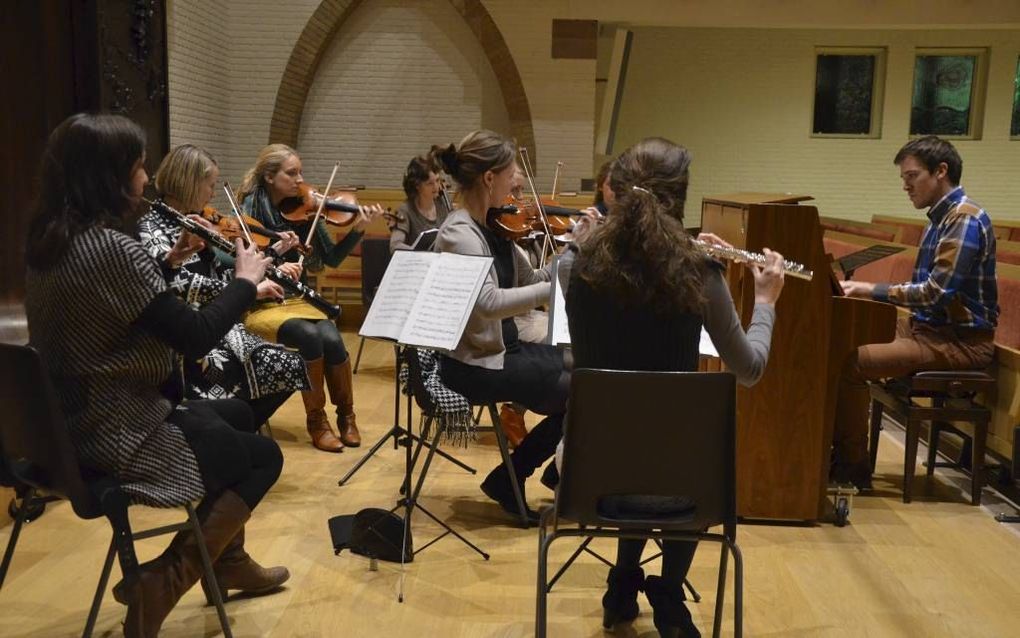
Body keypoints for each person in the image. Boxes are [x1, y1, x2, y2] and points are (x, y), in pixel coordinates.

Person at [24, 113, 289, 637]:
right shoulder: (113, 248)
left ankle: (227, 559)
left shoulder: (51, 241)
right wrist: (245, 281)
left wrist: (166, 264)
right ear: (110, 176)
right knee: (263, 457)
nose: (148, 180)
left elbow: (117, 309)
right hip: (114, 430)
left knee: (236, 412)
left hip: (62, 426)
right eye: (141, 167)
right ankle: (167, 579)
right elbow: (191, 336)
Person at [560, 137, 784, 637]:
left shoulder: (573, 264)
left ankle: (621, 584)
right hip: (687, 487)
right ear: (679, 198)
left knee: (629, 435)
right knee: (685, 447)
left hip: (589, 478)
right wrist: (764, 298)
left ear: (613, 193)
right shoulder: (700, 273)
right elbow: (749, 370)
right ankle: (667, 589)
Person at [835, 135, 998, 487]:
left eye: (911, 176)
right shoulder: (938, 219)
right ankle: (832, 453)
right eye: (903, 178)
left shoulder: (964, 219)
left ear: (941, 171)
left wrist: (868, 289)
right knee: (841, 340)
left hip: (960, 342)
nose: (905, 186)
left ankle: (851, 468)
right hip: (927, 330)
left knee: (851, 362)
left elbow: (935, 294)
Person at [434, 130, 568, 524]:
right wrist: (555, 284)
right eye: (512, 175)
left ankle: (514, 477)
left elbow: (531, 283)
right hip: (475, 365)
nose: (518, 185)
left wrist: (575, 250)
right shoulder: (460, 233)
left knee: (592, 376)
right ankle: (526, 475)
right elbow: (489, 303)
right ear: (490, 178)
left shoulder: (495, 228)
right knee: (588, 393)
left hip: (505, 351)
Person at [138, 144, 309, 430]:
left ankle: (237, 430)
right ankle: (221, 432)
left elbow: (219, 276)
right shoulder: (151, 228)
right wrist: (247, 289)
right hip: (188, 335)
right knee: (235, 373)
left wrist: (260, 275)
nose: (212, 193)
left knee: (290, 365)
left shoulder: (195, 223)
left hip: (221, 326)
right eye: (210, 185)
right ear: (190, 184)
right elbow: (179, 284)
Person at [236, 144, 384, 452]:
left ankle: (346, 417)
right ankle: (317, 421)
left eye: (300, 172)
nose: (300, 180)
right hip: (262, 300)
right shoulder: (248, 211)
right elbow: (236, 259)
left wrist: (357, 230)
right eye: (291, 173)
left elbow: (329, 259)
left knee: (331, 337)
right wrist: (275, 263)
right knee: (308, 337)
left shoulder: (306, 212)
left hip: (299, 298)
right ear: (269, 177)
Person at [388, 154, 451, 252]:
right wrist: (417, 253)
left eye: (438, 180)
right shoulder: (406, 210)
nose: (436, 187)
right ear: (417, 185)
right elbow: (395, 245)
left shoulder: (443, 204)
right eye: (430, 183)